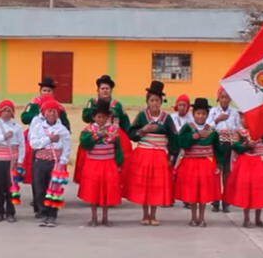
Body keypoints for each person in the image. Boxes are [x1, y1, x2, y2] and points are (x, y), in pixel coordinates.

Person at [124, 80, 178, 226]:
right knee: (144, 185)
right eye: (152, 100)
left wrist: (171, 157)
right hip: (144, 153)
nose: (154, 103)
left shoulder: (167, 119)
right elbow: (131, 134)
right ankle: (145, 215)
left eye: (157, 100)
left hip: (160, 155)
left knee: (155, 185)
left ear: (161, 102)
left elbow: (173, 138)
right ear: (147, 101)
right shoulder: (142, 116)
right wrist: (144, 130)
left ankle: (153, 215)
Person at [20, 77, 70, 214]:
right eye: (44, 90)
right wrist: (40, 113)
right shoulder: (34, 104)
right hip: (36, 144)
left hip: (55, 149)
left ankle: (50, 204)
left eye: (49, 91)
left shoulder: (59, 107)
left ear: (53, 93)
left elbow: (66, 125)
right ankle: (38, 201)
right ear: (40, 91)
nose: (46, 93)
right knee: (36, 175)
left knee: (51, 178)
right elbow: (24, 118)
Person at [223, 113, 263, 228]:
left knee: (260, 191)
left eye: (246, 117)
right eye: (242, 118)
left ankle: (258, 218)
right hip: (247, 163)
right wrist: (247, 145)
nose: (243, 120)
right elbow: (235, 147)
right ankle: (246, 218)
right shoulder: (239, 132)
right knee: (247, 191)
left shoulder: (261, 130)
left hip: (261, 162)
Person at [175, 98, 223, 227]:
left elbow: (218, 149)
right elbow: (180, 142)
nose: (200, 116)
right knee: (193, 193)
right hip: (190, 164)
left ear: (207, 115)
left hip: (206, 165)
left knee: (203, 193)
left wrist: (219, 164)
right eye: (198, 113)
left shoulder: (212, 131)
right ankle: (193, 217)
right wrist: (192, 137)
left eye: (203, 114)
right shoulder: (188, 128)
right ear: (193, 113)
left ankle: (202, 218)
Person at [77, 74, 131, 184]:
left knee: (119, 157)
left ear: (111, 90)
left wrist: (129, 135)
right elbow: (85, 118)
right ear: (98, 90)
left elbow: (124, 121)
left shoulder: (117, 105)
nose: (105, 91)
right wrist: (96, 111)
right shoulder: (92, 102)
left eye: (107, 88)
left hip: (113, 133)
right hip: (95, 132)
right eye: (102, 88)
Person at [77, 99, 124, 227]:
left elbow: (118, 148)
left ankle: (105, 217)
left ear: (108, 117)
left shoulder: (113, 130)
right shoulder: (89, 130)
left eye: (104, 117)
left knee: (107, 191)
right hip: (93, 164)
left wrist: (119, 163)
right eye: (99, 116)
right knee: (93, 191)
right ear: (94, 117)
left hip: (109, 164)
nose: (101, 119)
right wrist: (97, 135)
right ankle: (93, 217)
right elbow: (85, 144)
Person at [29, 98, 71, 228]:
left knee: (54, 189)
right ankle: (43, 213)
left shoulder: (62, 129)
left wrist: (63, 161)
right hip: (40, 161)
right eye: (49, 111)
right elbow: (33, 143)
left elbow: (67, 146)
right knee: (40, 189)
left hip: (56, 163)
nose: (52, 114)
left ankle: (53, 214)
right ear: (44, 113)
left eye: (54, 111)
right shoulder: (37, 127)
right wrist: (49, 139)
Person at [0, 99, 26, 223]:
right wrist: (3, 136)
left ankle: (10, 212)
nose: (6, 113)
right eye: (4, 110)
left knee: (11, 186)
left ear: (13, 113)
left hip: (12, 161)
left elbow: (22, 145)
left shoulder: (17, 127)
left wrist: (20, 161)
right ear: (0, 112)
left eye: (9, 110)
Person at [207, 87, 241, 213]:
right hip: (217, 144)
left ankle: (226, 201)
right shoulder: (213, 111)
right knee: (216, 171)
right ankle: (215, 201)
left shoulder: (235, 113)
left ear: (230, 99)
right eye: (222, 97)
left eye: (226, 97)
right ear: (218, 99)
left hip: (229, 144)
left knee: (227, 173)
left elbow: (239, 128)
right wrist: (217, 120)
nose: (224, 100)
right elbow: (207, 128)